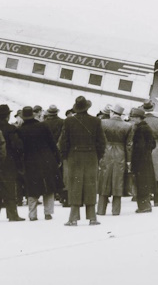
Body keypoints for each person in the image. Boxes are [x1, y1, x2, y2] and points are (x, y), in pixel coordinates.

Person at [60, 96, 106, 226]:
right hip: (91, 156)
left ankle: (73, 218)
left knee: (75, 184)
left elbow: (63, 142)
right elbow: (101, 142)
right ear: (87, 107)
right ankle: (92, 217)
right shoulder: (96, 121)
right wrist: (98, 156)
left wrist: (65, 156)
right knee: (91, 184)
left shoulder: (69, 121)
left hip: (74, 156)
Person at [17, 106, 60, 221]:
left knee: (32, 187)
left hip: (30, 161)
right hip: (47, 159)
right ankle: (48, 213)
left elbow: (20, 149)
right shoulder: (43, 125)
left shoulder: (21, 130)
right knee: (48, 186)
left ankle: (32, 214)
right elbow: (52, 143)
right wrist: (57, 158)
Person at [0, 104, 25, 222]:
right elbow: (18, 147)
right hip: (9, 162)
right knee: (10, 188)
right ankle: (12, 215)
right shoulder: (11, 129)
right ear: (8, 115)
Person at [98, 104, 132, 215]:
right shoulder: (127, 126)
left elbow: (99, 141)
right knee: (118, 180)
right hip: (120, 153)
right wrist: (128, 160)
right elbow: (129, 145)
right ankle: (116, 210)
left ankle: (101, 209)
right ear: (121, 114)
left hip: (106, 152)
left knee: (104, 179)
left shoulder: (103, 123)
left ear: (112, 112)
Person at [128, 108, 156, 212]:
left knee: (141, 183)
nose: (132, 119)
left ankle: (144, 206)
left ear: (138, 118)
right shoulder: (146, 127)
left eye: (134, 117)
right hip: (146, 159)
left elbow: (139, 147)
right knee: (144, 182)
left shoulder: (140, 129)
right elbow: (153, 144)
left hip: (140, 160)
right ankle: (146, 205)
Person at [43, 105, 67, 206]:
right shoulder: (62, 122)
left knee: (49, 172)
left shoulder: (44, 123)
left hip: (47, 150)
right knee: (61, 172)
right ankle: (62, 195)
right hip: (59, 149)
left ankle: (51, 194)